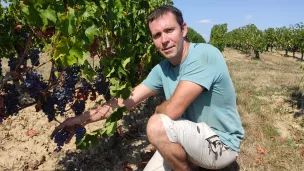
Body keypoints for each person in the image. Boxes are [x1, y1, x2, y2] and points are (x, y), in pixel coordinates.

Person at [52, 5, 244, 171]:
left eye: (169, 30)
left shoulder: (204, 55)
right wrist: (79, 120)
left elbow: (172, 110)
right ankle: (191, 164)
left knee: (156, 124)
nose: (164, 40)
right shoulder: (162, 70)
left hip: (221, 145)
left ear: (183, 29)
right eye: (157, 35)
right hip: (190, 140)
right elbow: (124, 101)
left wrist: (159, 109)